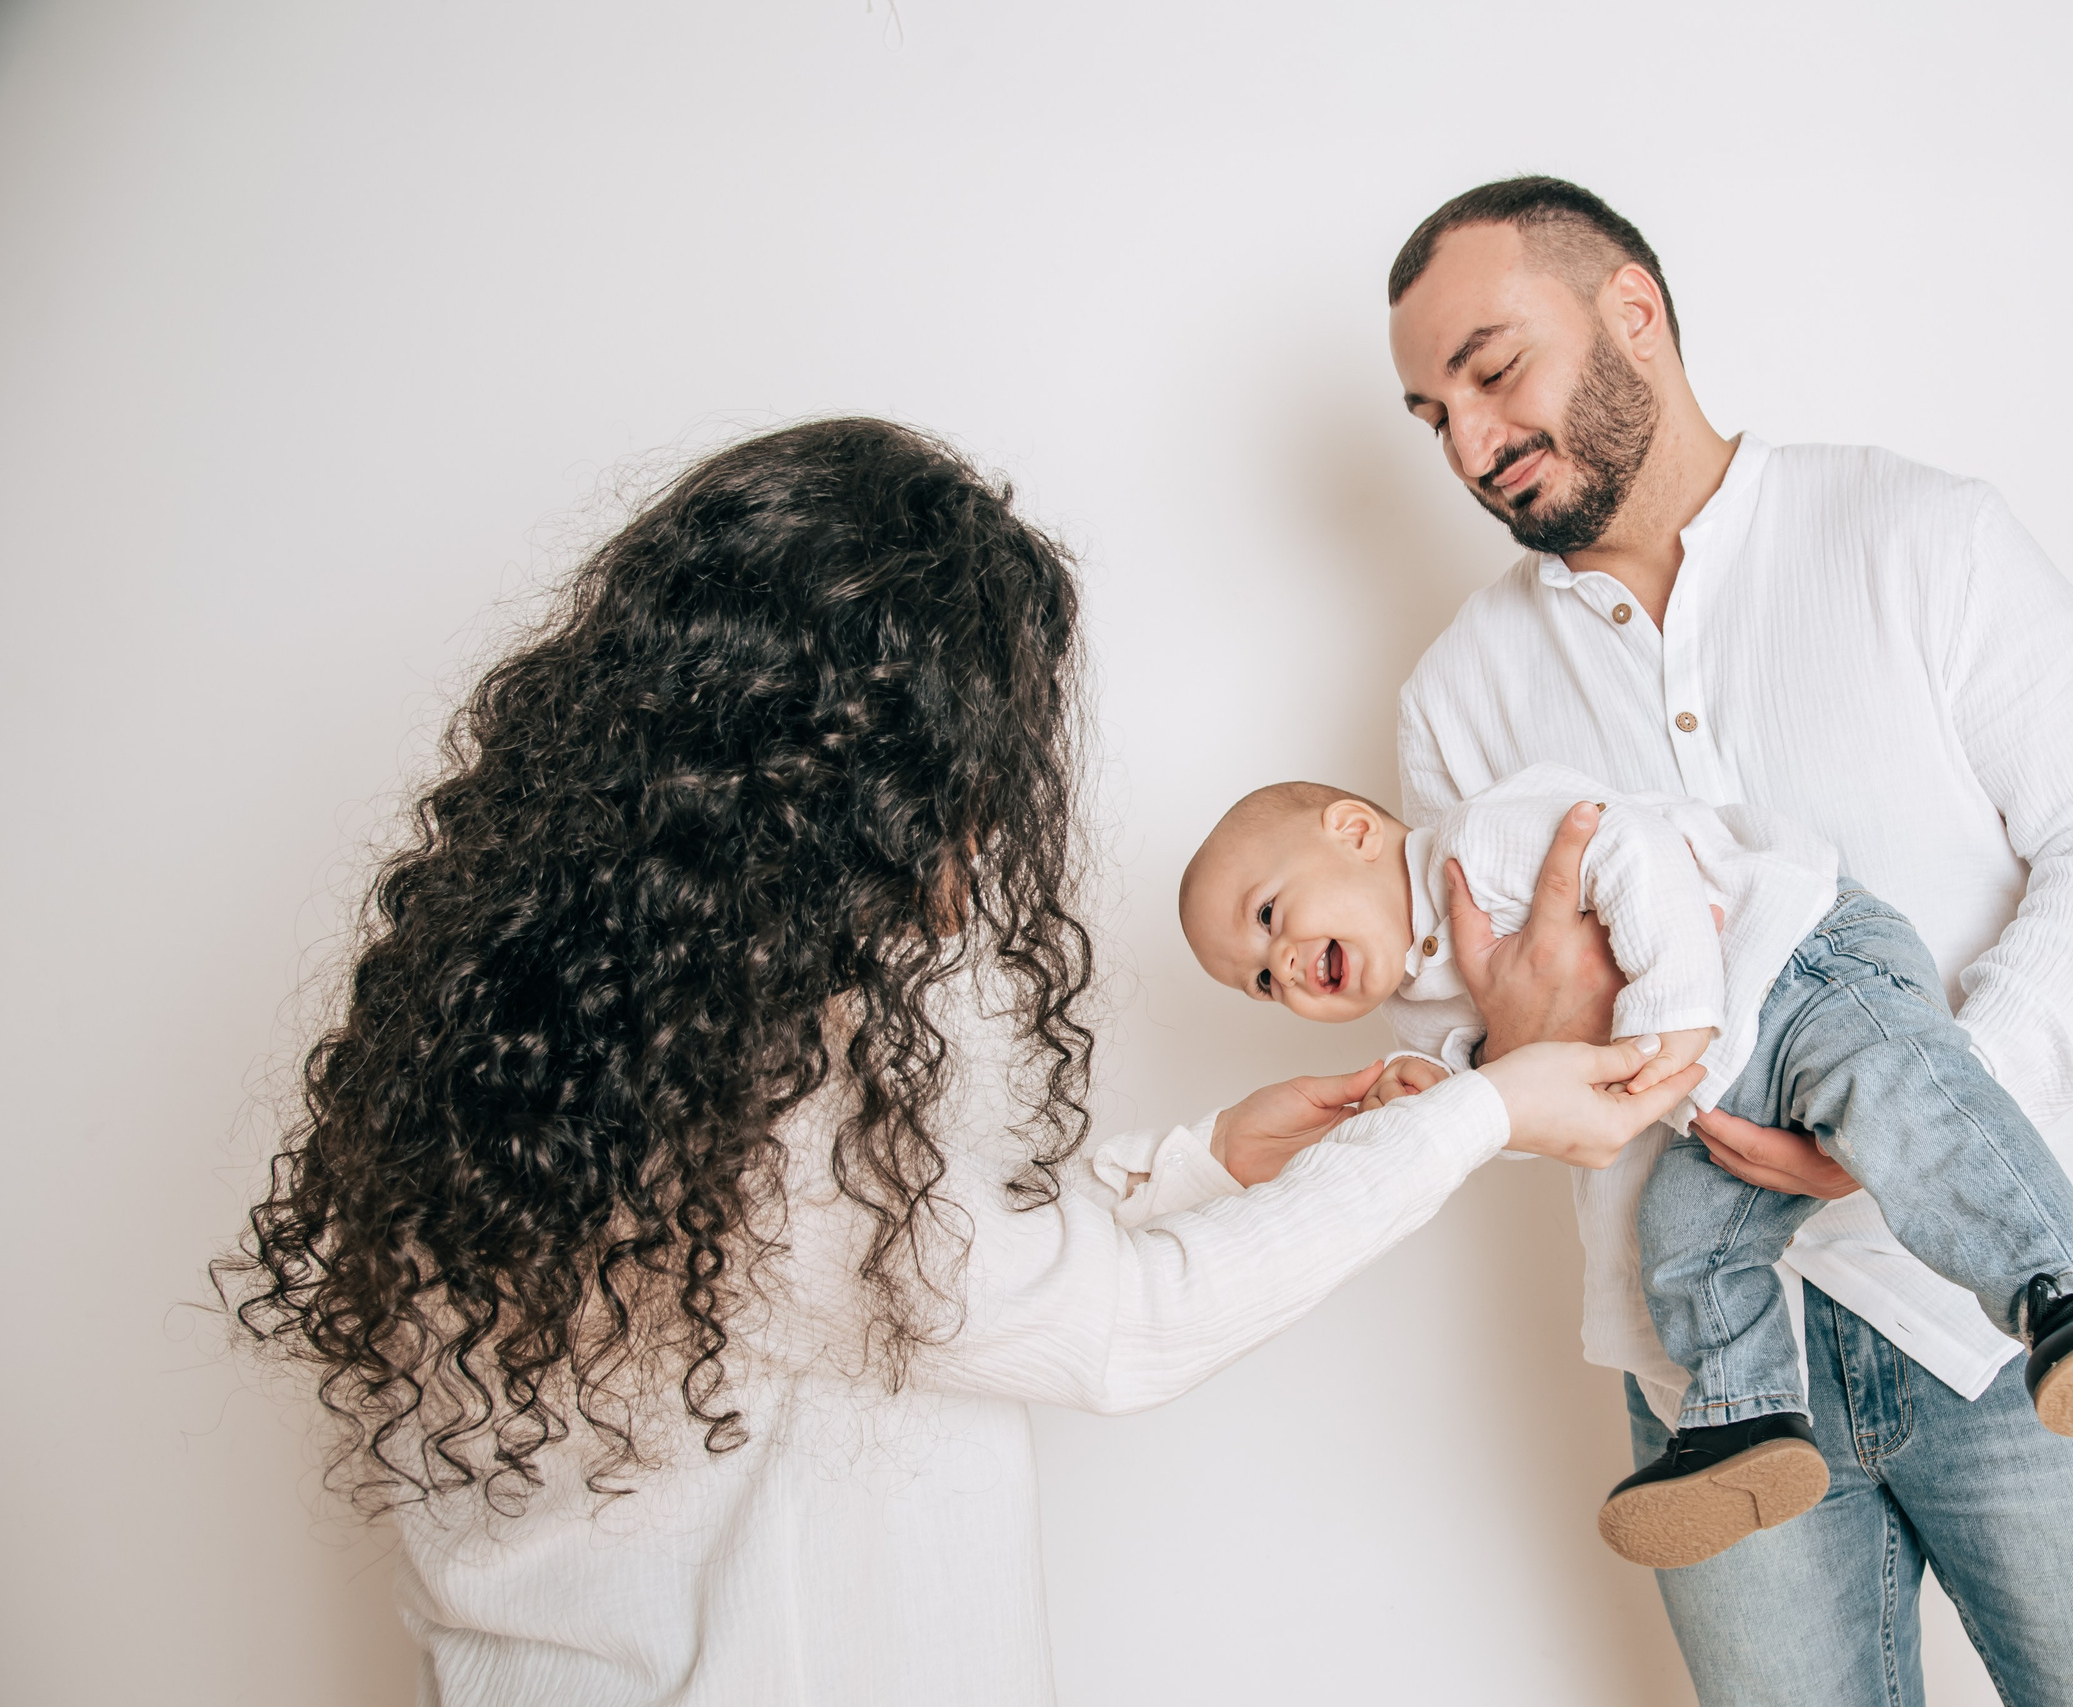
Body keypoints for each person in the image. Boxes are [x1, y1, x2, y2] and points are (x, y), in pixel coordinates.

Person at [217, 418, 1703, 1706]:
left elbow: (893, 1288)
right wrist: (1486, 1114)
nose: (989, 833)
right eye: (978, 773)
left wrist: (1202, 1164)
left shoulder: (541, 1009)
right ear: (855, 779)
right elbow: (1117, 1329)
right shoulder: (766, 1094)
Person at [1384, 178, 2073, 1703]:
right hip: (1708, 1382)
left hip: (2022, 1330)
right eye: (1429, 413)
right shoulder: (1459, 695)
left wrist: (1918, 1100)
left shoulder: (1916, 532)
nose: (1468, 442)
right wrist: (1495, 1049)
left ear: (1632, 311)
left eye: (1493, 371)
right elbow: (1483, 1043)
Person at [1168, 765, 2073, 1570]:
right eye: (1261, 981)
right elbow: (1533, 1091)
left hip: (1800, 961)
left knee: (1905, 1100)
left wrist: (1670, 1010)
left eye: (1269, 917)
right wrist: (1447, 1093)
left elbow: (1630, 845)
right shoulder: (1424, 1000)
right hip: (1719, 1087)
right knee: (1682, 1241)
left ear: (1352, 831)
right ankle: (1743, 1421)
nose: (1283, 966)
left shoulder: (1474, 842)